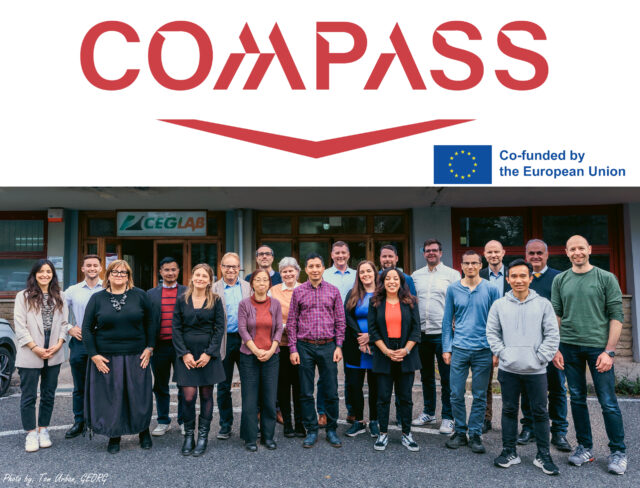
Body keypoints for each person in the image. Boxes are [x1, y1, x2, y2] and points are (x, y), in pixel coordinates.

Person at [551, 235, 627, 475]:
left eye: (581, 248)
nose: (577, 252)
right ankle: (584, 447)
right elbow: (556, 316)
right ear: (566, 252)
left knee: (608, 402)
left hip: (598, 349)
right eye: (572, 249)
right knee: (577, 398)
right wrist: (555, 348)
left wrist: (609, 351)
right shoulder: (560, 280)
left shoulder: (606, 278)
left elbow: (616, 316)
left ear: (590, 249)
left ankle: (618, 451)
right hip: (569, 347)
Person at [486, 259, 560, 476]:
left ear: (530, 278)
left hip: (536, 370)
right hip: (509, 369)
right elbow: (492, 333)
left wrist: (541, 358)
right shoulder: (499, 305)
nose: (518, 280)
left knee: (540, 412)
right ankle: (509, 451)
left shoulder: (543, 304)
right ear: (508, 279)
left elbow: (552, 334)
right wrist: (504, 354)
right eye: (514, 276)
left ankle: (543, 455)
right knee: (509, 410)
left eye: (522, 276)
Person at [82, 259, 155, 454]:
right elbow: (86, 329)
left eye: (123, 272)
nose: (119, 275)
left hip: (136, 355)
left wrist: (150, 347)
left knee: (139, 396)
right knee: (113, 398)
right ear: (108, 275)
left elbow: (151, 322)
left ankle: (143, 431)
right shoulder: (97, 298)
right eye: (115, 272)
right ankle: (114, 435)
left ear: (128, 276)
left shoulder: (140, 295)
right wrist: (94, 355)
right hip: (107, 357)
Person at [443, 250, 500, 454]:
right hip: (459, 348)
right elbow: (447, 321)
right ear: (461, 266)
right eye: (466, 263)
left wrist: (496, 351)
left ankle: (475, 433)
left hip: (483, 350)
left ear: (480, 265)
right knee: (456, 393)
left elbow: (497, 322)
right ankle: (460, 431)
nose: (470, 266)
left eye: (474, 263)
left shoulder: (491, 289)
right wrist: (446, 348)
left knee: (479, 394)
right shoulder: (453, 289)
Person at [288, 253, 345, 448]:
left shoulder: (333, 291)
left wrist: (339, 346)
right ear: (306, 269)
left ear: (323, 268)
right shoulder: (298, 292)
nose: (314, 269)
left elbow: (340, 321)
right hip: (304, 346)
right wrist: (293, 349)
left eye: (318, 266)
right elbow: (292, 322)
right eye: (311, 266)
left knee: (331, 391)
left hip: (329, 346)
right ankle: (311, 430)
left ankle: (331, 429)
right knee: (305, 391)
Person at [517, 239, 569, 451]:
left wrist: (556, 346)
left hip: (554, 346)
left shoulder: (559, 278)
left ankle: (559, 432)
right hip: (527, 346)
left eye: (540, 253)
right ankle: (529, 427)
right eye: (531, 253)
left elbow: (565, 312)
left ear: (547, 255)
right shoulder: (521, 278)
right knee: (528, 388)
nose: (535, 256)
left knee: (557, 389)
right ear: (526, 255)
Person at [14, 259, 69, 452]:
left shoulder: (60, 295)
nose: (45, 275)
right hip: (30, 348)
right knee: (29, 395)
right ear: (34, 274)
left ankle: (43, 429)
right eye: (41, 271)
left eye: (48, 271)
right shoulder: (23, 296)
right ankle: (31, 433)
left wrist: (59, 343)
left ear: (53, 275)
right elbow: (20, 325)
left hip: (54, 348)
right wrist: (34, 347)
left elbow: (64, 324)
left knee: (48, 394)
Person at [172, 263, 225, 457]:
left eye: (204, 276)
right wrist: (184, 353)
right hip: (186, 354)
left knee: (206, 395)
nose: (200, 278)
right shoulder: (182, 300)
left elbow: (219, 328)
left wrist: (209, 353)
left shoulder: (215, 300)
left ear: (210, 280)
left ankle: (203, 436)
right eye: (197, 275)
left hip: (207, 355)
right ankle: (188, 436)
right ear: (192, 277)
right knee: (188, 397)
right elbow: (176, 328)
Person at [368, 268, 421, 452]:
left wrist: (405, 350)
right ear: (382, 282)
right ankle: (383, 433)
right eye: (388, 278)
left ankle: (407, 434)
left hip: (406, 352)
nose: (392, 281)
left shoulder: (411, 301)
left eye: (396, 278)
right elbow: (373, 330)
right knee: (383, 397)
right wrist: (386, 351)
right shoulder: (375, 302)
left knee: (405, 397)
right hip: (383, 353)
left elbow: (416, 330)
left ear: (401, 282)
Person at [411, 239, 460, 434]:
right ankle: (429, 412)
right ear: (423, 253)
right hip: (422, 333)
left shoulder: (452, 275)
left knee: (447, 378)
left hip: (444, 334)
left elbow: (458, 301)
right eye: (427, 250)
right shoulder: (416, 276)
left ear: (441, 252)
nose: (431, 253)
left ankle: (448, 416)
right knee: (426, 377)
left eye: (434, 250)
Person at [238, 270, 283, 451]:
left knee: (269, 398)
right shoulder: (244, 304)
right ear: (252, 284)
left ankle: (268, 436)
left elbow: (279, 328)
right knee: (250, 400)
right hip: (249, 357)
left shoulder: (275, 304)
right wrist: (256, 350)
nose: (262, 283)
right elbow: (242, 329)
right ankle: (250, 438)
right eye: (258, 280)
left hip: (272, 357)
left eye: (265, 280)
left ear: (269, 284)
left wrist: (271, 350)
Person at [212, 252, 252, 439]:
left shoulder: (247, 287)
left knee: (249, 385)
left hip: (245, 340)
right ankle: (225, 425)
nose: (230, 269)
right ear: (221, 267)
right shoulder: (213, 288)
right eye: (227, 266)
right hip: (223, 341)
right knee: (223, 385)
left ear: (239, 268)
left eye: (234, 266)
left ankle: (249, 425)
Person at [63, 254, 103, 439]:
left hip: (102, 342)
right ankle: (79, 421)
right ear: (83, 269)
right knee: (79, 385)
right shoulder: (72, 290)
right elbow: (58, 311)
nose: (92, 268)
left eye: (95, 265)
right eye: (89, 265)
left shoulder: (108, 288)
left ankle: (100, 420)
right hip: (80, 342)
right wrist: (69, 328)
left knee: (103, 383)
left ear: (100, 268)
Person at [147, 257, 188, 436]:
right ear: (160, 272)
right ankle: (163, 421)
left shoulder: (187, 292)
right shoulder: (150, 294)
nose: (170, 273)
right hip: (159, 347)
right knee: (160, 385)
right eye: (166, 270)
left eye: (173, 269)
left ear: (178, 271)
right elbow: (146, 321)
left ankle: (184, 421)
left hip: (182, 347)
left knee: (184, 384)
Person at [269, 257, 305, 438]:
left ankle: (300, 423)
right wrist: (283, 326)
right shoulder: (273, 291)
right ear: (280, 273)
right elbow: (268, 315)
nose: (288, 274)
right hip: (281, 344)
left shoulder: (305, 288)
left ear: (297, 272)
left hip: (301, 345)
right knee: (283, 386)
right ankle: (287, 424)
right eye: (284, 271)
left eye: (291, 270)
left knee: (300, 385)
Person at [343, 261, 380, 438]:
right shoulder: (352, 293)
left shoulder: (383, 293)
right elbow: (347, 317)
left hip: (377, 346)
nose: (365, 274)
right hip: (355, 346)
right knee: (354, 386)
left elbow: (385, 318)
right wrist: (361, 337)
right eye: (362, 272)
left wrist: (370, 336)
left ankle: (374, 421)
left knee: (375, 387)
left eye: (368, 271)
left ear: (374, 273)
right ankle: (358, 421)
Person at [322, 241, 356, 424]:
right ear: (332, 255)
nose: (340, 255)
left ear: (348, 255)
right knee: (326, 373)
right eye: (337, 253)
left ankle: (352, 410)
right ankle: (323, 412)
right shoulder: (324, 274)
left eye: (343, 252)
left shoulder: (357, 275)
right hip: (328, 327)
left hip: (351, 328)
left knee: (351, 372)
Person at [479, 240, 511, 433]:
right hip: (486, 334)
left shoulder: (512, 273)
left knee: (511, 381)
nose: (493, 255)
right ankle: (486, 418)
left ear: (503, 253)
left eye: (496, 252)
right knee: (485, 382)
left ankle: (512, 421)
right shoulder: (480, 275)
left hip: (512, 334)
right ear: (485, 254)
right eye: (489, 252)